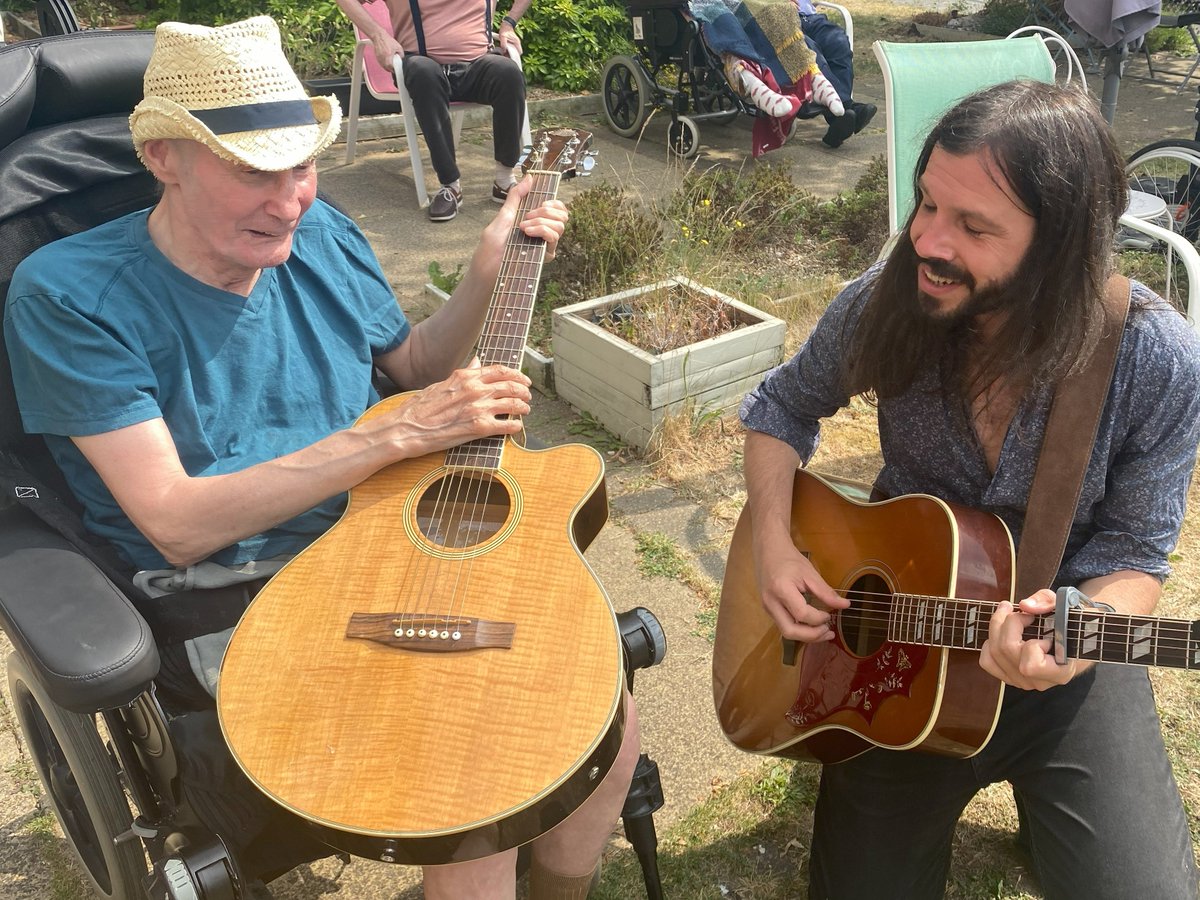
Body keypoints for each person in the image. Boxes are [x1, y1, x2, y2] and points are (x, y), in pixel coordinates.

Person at [4, 16, 639, 899]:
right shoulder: (70, 296)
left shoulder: (323, 235)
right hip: (233, 588)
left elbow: (412, 366)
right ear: (161, 157)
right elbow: (177, 523)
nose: (290, 201)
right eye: (254, 171)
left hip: (385, 532)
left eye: (301, 166)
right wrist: (394, 435)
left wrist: (487, 270)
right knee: (473, 788)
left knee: (606, 723)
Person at [738, 79, 1200, 899]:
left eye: (973, 226)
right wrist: (774, 543)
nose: (926, 239)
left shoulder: (1155, 359)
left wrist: (1079, 632)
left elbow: (1136, 555)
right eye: (927, 202)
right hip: (897, 658)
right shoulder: (891, 300)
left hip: (1065, 659)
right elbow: (781, 407)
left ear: (1059, 246)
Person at [334, 0, 531, 222]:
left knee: (508, 73)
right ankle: (450, 186)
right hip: (423, 67)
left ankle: (504, 180)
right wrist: (379, 36)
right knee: (423, 73)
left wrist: (508, 23)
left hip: (478, 67)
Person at [793, 0, 875, 148]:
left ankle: (840, 116)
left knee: (838, 42)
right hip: (778, 19)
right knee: (810, 49)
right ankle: (845, 107)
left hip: (809, 17)